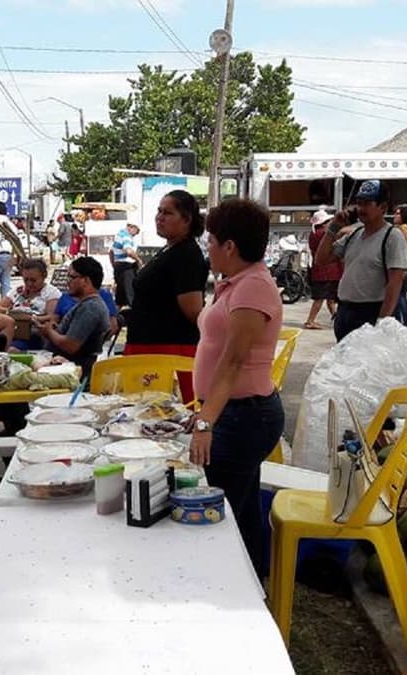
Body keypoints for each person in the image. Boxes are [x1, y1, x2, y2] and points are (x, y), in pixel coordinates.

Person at [188, 198, 284, 576]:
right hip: (232, 411)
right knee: (240, 510)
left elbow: (233, 362)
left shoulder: (253, 288)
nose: (207, 247)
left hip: (246, 416)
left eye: (211, 240)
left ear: (230, 246)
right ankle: (254, 582)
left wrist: (204, 422)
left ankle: (232, 585)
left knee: (221, 509)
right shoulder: (236, 284)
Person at [124, 190, 210, 401]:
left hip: (168, 351)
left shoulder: (186, 255)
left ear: (186, 219)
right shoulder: (170, 249)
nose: (159, 217)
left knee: (162, 416)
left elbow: (193, 311)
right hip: (149, 347)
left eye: (168, 213)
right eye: (159, 211)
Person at [313, 180, 407, 342]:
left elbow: (395, 283)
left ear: (383, 207)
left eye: (367, 204)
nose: (360, 209)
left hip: (370, 313)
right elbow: (321, 260)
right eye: (359, 203)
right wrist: (333, 228)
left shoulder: (392, 237)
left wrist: (381, 322)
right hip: (345, 312)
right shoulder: (355, 234)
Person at [33, 256, 110, 379]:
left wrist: (49, 331)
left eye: (72, 277)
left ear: (86, 281)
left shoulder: (90, 308)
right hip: (64, 366)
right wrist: (53, 330)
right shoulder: (87, 304)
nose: (67, 281)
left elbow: (71, 345)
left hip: (70, 372)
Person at [0, 258, 62, 350]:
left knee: (12, 349)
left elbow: (53, 317)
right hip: (13, 331)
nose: (29, 284)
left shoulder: (51, 293)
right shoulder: (18, 291)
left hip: (34, 336)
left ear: (44, 276)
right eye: (26, 280)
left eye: (33, 280)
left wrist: (32, 318)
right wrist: (13, 313)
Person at [303, 209, 340, 330]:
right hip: (326, 271)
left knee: (330, 298)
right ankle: (310, 320)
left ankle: (336, 318)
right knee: (320, 298)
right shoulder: (323, 233)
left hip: (324, 271)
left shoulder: (315, 233)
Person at [392, 204, 407, 325]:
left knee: (399, 296)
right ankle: (404, 322)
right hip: (405, 265)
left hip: (401, 265)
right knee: (401, 295)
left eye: (398, 213)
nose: (395, 216)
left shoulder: (403, 228)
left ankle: (404, 322)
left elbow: (404, 247)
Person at [110, 221, 142, 308]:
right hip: (126, 268)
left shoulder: (119, 234)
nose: (136, 234)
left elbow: (111, 252)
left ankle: (115, 317)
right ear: (132, 227)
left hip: (119, 267)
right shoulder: (126, 236)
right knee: (131, 296)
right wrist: (138, 260)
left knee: (120, 298)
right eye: (137, 231)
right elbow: (128, 251)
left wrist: (114, 265)